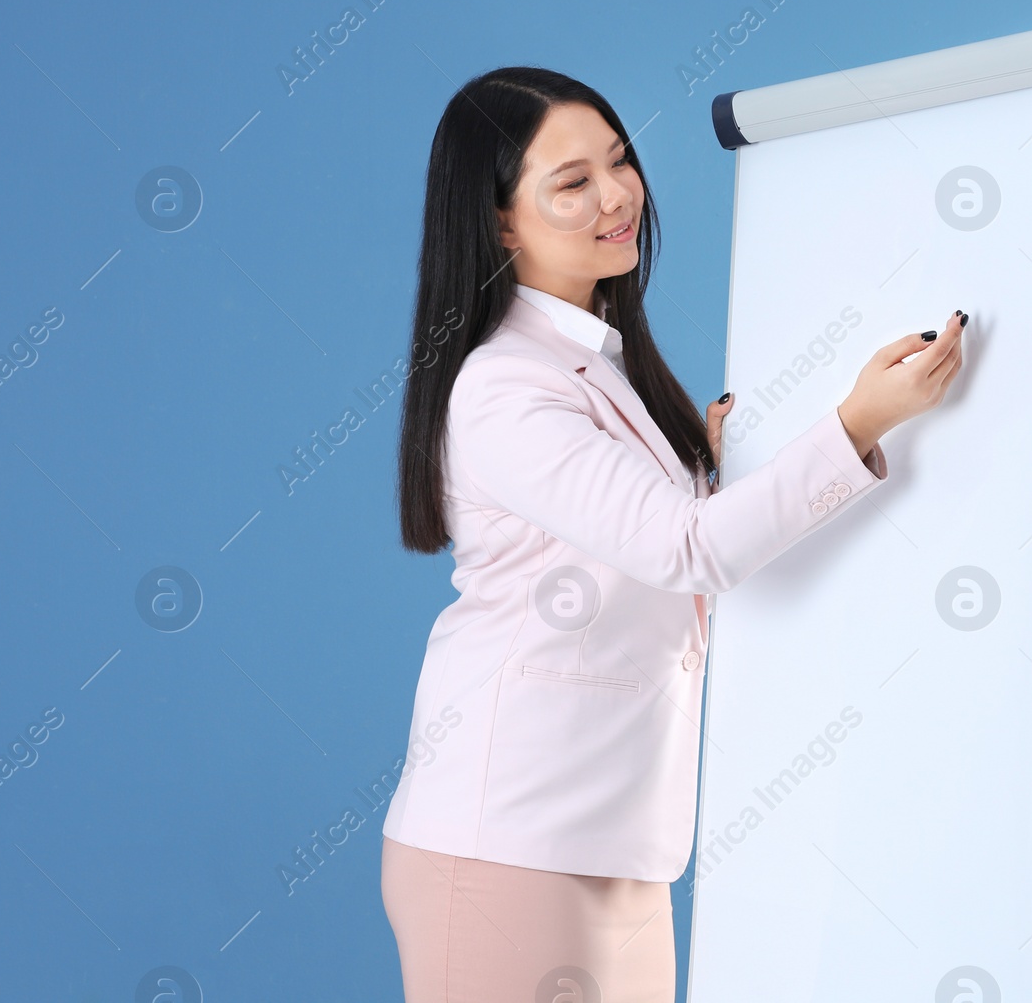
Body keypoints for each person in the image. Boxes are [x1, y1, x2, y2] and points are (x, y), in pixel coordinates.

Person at [379, 65, 966, 1001]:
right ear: (497, 221)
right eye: (571, 182)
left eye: (620, 161)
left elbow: (656, 555)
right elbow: (687, 548)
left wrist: (706, 472)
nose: (618, 196)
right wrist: (857, 421)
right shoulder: (502, 385)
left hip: (618, 841)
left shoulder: (597, 358)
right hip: (504, 841)